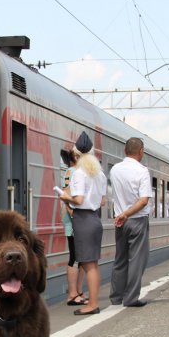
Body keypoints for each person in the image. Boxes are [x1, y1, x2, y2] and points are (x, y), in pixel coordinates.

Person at [59, 132, 107, 315]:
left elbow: (78, 199)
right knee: (92, 264)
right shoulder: (99, 174)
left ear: (77, 155)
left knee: (88, 264)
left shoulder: (79, 173)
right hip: (94, 218)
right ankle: (93, 302)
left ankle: (92, 304)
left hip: (83, 220)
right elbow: (102, 201)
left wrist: (65, 197)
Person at [109, 137, 152, 307]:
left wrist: (122, 215)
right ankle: (131, 298)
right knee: (136, 260)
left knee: (120, 259)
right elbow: (143, 201)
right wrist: (127, 214)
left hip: (120, 221)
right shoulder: (142, 171)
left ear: (125, 151)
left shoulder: (115, 170)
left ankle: (116, 297)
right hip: (136, 220)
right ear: (141, 151)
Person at [58, 148, 87, 307]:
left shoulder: (79, 172)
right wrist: (73, 215)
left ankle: (79, 291)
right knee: (75, 256)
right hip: (73, 218)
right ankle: (72, 294)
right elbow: (65, 195)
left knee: (81, 257)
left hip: (77, 217)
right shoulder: (71, 172)